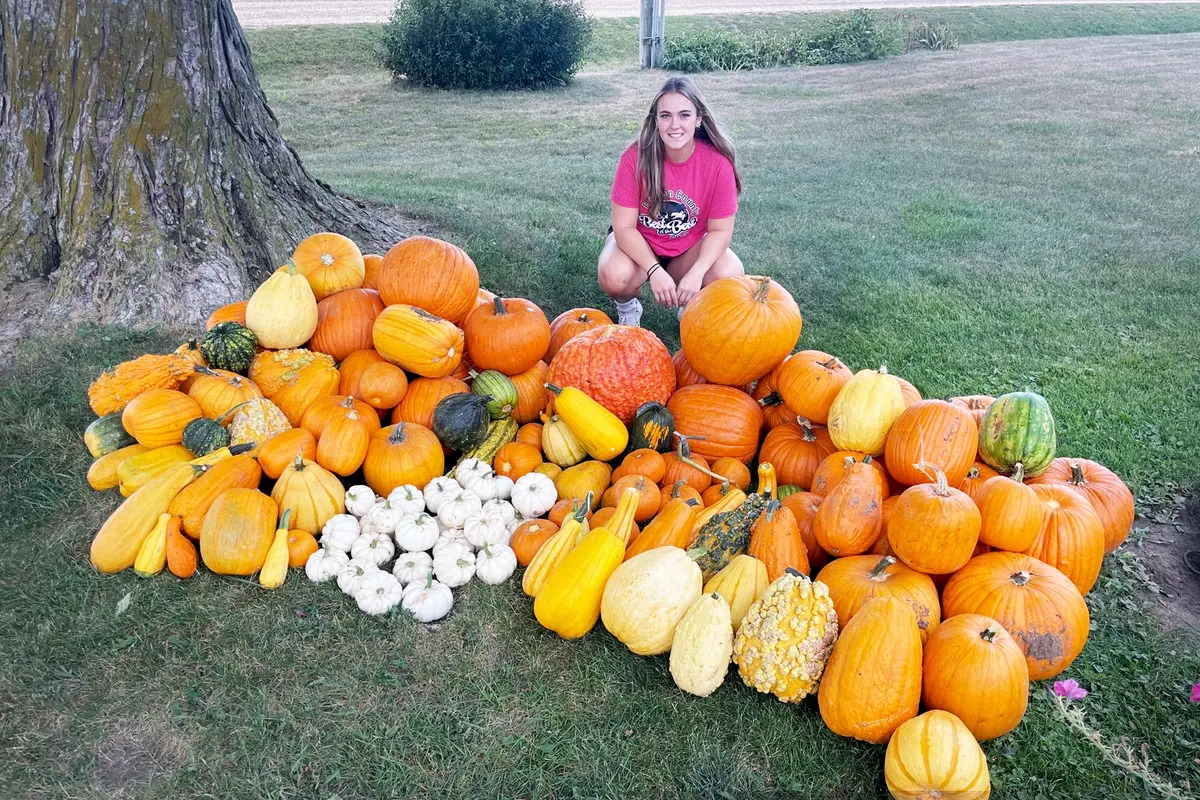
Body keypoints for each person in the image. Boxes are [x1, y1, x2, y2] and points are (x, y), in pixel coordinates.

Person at [599, 76, 745, 328]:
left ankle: (691, 304)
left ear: (699, 119)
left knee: (730, 272)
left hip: (686, 250)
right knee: (614, 275)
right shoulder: (634, 158)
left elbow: (721, 231)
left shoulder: (718, 164)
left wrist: (696, 274)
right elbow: (623, 228)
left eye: (684, 115)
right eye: (665, 115)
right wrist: (654, 271)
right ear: (656, 121)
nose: (674, 124)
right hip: (639, 245)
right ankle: (628, 307)